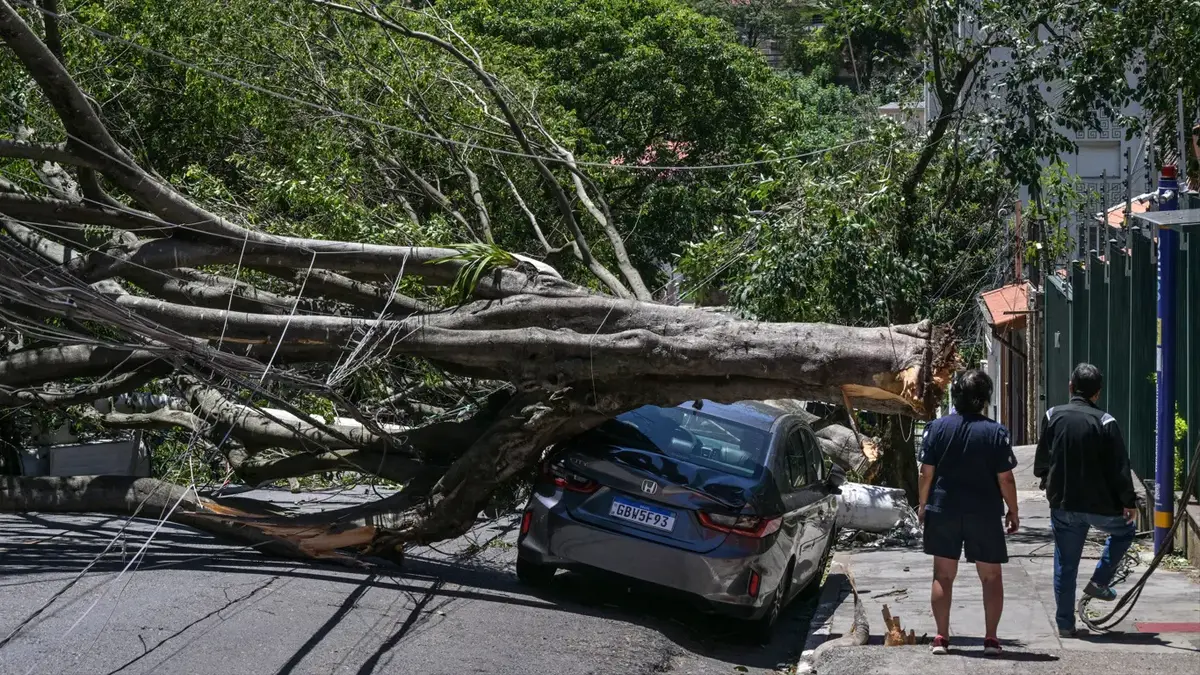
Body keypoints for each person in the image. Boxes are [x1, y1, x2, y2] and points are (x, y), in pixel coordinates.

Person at [918, 369, 1019, 657]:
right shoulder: (996, 432)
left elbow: (926, 473)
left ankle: (941, 638)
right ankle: (991, 639)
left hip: (943, 509)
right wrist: (1013, 510)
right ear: (984, 399)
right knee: (991, 576)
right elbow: (1006, 478)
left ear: (955, 397)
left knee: (943, 575)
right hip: (984, 512)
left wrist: (923, 505)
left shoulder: (936, 428)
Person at [1034, 363, 1137, 638]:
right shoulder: (1106, 422)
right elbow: (1120, 467)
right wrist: (1128, 502)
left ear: (1071, 387)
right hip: (1100, 505)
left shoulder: (1052, 415)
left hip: (1063, 504)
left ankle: (1065, 624)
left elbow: (1042, 461)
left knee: (1065, 565)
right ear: (1097, 393)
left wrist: (1047, 483)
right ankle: (1100, 581)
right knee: (1125, 531)